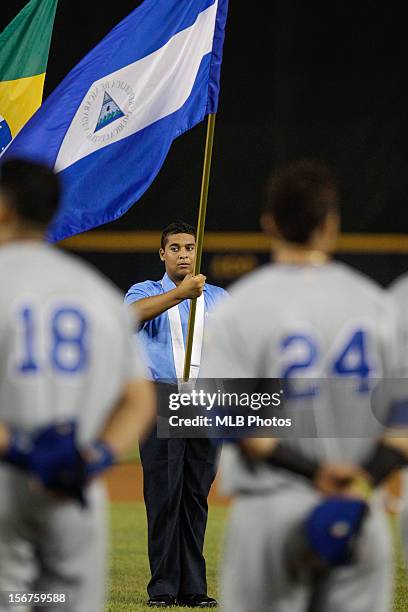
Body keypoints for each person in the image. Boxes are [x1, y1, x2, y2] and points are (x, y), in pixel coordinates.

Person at [199, 160, 399, 612]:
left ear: (269, 223)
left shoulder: (241, 306)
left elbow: (230, 422)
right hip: (357, 509)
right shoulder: (375, 303)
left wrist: (313, 475)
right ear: (331, 225)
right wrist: (360, 478)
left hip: (270, 510)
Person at [0, 159, 155, 612]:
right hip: (77, 488)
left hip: (8, 482)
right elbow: (139, 400)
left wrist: (25, 453)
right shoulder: (98, 293)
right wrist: (98, 457)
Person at [125, 220, 227, 608]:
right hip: (161, 396)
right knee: (165, 494)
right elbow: (130, 317)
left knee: (195, 497)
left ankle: (193, 588)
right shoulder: (147, 292)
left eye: (190, 247)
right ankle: (163, 588)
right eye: (177, 248)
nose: (184, 253)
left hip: (204, 400)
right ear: (163, 254)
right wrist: (180, 294)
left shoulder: (218, 297)